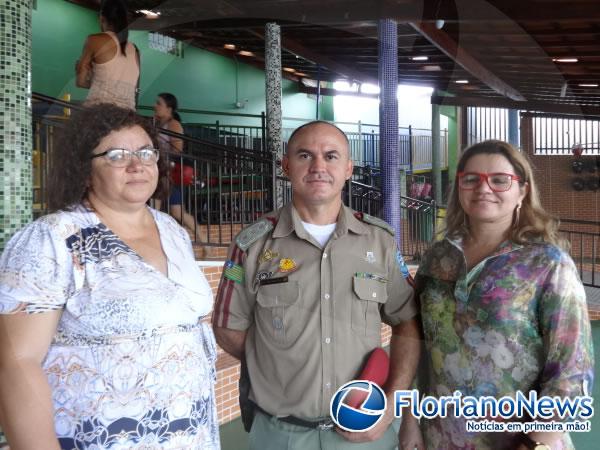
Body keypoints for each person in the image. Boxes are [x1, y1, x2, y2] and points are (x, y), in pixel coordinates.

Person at [0, 103, 220, 449]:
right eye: (117, 155)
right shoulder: (55, 238)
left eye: (146, 152)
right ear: (85, 170)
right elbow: (16, 363)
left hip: (188, 435)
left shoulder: (171, 230)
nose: (137, 165)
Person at [213, 120, 422, 450]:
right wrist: (277, 358)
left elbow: (408, 321)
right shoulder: (251, 244)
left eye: (331, 156)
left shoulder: (379, 242)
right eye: (305, 155)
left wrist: (394, 398)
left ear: (349, 168)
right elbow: (228, 327)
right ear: (286, 166)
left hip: (365, 430)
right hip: (281, 435)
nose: (318, 166)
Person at [412, 140, 594, 450]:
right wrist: (410, 420)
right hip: (441, 437)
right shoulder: (436, 259)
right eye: (471, 179)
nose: (484, 188)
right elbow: (422, 349)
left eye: (499, 179)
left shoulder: (546, 263)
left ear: (522, 190)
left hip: (520, 441)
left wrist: (534, 444)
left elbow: (572, 370)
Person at [154, 92, 208, 252]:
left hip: (170, 172)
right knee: (176, 211)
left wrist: (160, 156)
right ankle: (205, 244)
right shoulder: (159, 124)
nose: (155, 106)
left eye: (159, 103)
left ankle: (204, 243)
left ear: (169, 108)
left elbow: (177, 149)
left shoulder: (173, 125)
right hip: (163, 171)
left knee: (159, 208)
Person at [76, 0, 140, 110]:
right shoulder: (135, 50)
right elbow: (134, 89)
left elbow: (80, 82)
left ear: (102, 18)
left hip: (100, 112)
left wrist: (84, 72)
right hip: (127, 117)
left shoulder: (95, 40)